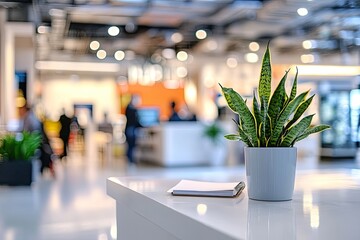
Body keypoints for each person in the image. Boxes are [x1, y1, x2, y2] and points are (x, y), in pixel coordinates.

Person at [18, 104, 55, 177]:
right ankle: (42, 170)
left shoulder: (29, 117)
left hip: (36, 140)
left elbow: (28, 130)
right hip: (38, 139)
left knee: (40, 156)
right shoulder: (31, 116)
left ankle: (42, 170)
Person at [124, 96, 142, 164]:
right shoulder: (132, 109)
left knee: (130, 146)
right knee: (131, 145)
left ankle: (130, 159)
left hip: (129, 129)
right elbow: (135, 121)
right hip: (131, 130)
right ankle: (130, 159)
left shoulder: (128, 108)